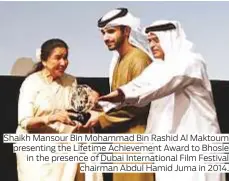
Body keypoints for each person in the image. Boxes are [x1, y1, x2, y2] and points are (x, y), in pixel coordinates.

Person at [97, 20, 225, 181]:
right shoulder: (158, 67)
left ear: (170, 39)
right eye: (149, 40)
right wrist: (107, 101)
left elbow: (159, 83)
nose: (151, 45)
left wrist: (122, 94)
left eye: (156, 40)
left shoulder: (191, 62)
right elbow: (142, 84)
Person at [16, 38, 103, 181]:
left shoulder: (71, 81)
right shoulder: (31, 83)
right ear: (44, 61)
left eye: (66, 57)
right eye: (58, 58)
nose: (63, 62)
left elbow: (78, 106)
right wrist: (52, 118)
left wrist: (92, 95)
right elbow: (25, 122)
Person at [85, 8, 154, 181]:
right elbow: (120, 102)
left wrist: (101, 119)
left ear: (126, 31)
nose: (105, 38)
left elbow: (139, 106)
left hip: (138, 140)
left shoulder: (138, 59)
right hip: (123, 140)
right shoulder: (119, 60)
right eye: (103, 33)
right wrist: (97, 103)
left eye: (111, 31)